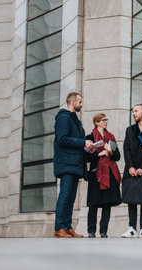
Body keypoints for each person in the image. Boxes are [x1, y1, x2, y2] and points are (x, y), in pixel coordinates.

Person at [53, 92, 93, 238]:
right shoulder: (63, 118)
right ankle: (59, 227)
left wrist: (87, 147)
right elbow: (62, 139)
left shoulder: (76, 120)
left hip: (75, 164)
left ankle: (67, 227)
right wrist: (83, 142)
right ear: (72, 102)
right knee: (64, 195)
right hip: (66, 163)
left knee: (70, 198)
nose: (81, 105)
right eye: (80, 102)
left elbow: (76, 141)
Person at [85, 113, 122, 238]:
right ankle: (91, 231)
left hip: (110, 173)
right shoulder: (90, 137)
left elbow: (117, 157)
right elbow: (86, 157)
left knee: (107, 203)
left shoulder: (111, 137)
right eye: (103, 120)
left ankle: (103, 231)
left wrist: (110, 151)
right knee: (94, 203)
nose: (106, 121)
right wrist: (99, 155)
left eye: (106, 119)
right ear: (96, 122)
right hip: (96, 173)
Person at [121, 105, 142, 238]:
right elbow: (126, 149)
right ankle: (131, 228)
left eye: (136, 111)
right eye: (132, 111)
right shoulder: (130, 130)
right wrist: (130, 166)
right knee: (131, 197)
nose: (133, 113)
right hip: (130, 169)